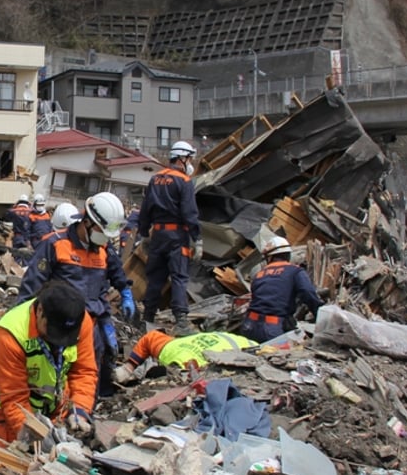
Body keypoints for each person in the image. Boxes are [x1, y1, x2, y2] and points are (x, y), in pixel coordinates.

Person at [18, 192, 134, 396]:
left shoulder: (103, 249)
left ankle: (85, 413)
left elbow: (116, 273)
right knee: (56, 378)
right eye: (101, 230)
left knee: (89, 376)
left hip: (92, 325)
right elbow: (31, 285)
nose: (104, 237)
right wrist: (24, 327)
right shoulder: (56, 244)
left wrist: (125, 292)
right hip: (60, 326)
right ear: (87, 222)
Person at [0, 282, 97, 445]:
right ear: (40, 311)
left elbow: (84, 371)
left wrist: (79, 411)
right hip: (7, 407)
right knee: (11, 460)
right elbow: (14, 400)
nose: (58, 340)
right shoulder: (10, 336)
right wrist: (36, 437)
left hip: (52, 402)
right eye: (54, 332)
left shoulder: (80, 321)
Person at [138, 140, 202, 335]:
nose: (190, 162)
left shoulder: (155, 179)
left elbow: (145, 209)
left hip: (158, 235)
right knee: (179, 277)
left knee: (155, 278)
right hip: (177, 236)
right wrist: (197, 238)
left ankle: (147, 318)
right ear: (182, 158)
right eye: (189, 158)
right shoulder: (184, 181)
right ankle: (181, 321)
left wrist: (144, 232)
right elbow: (189, 212)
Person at [238, 236, 323, 343]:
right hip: (272, 328)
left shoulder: (259, 274)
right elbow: (308, 293)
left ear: (269, 257)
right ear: (288, 254)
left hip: (249, 326)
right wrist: (319, 316)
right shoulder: (295, 272)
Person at [113, 330, 256, 383]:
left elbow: (149, 338)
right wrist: (128, 368)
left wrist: (129, 367)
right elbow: (150, 338)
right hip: (229, 340)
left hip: (245, 346)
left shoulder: (195, 366)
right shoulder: (169, 349)